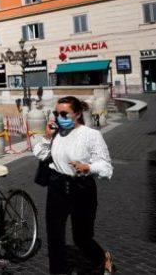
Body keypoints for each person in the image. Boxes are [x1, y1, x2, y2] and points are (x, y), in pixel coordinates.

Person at [33, 96, 114, 274]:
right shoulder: (56, 134)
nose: (59, 117)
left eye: (64, 113)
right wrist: (47, 137)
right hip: (56, 187)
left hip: (82, 188)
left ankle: (101, 258)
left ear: (77, 114)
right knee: (54, 237)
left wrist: (89, 167)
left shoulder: (91, 135)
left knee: (82, 238)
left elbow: (107, 167)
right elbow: (41, 154)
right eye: (56, 113)